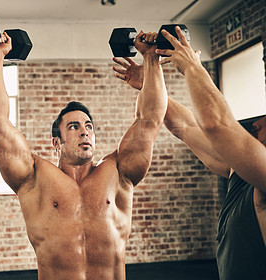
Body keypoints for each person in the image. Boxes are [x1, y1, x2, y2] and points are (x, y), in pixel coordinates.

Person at [0, 30, 167, 279]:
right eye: (74, 127)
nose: (84, 132)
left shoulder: (119, 172)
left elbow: (150, 120)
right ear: (56, 142)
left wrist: (152, 60)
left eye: (88, 126)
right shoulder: (34, 178)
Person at [113, 27, 266, 280]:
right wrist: (150, 76)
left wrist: (192, 67)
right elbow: (184, 127)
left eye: (265, 121)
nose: (256, 124)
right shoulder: (240, 174)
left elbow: (216, 123)